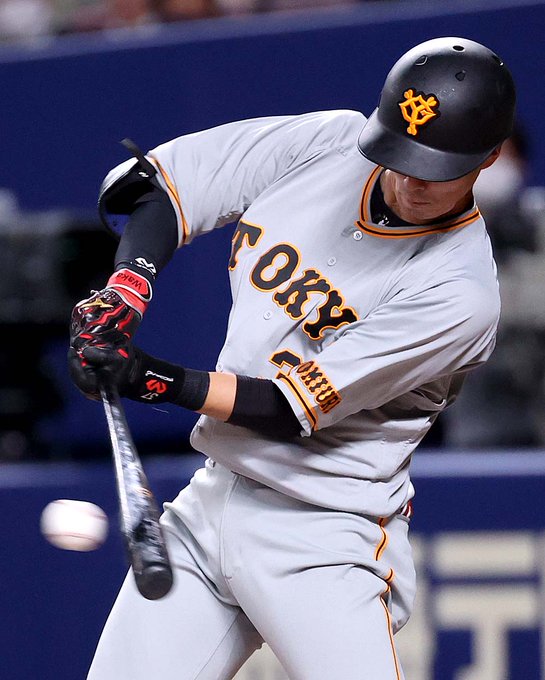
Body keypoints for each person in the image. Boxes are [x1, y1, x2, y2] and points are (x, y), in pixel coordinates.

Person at [68, 36, 516, 679]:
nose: (411, 180)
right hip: (214, 497)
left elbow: (283, 407)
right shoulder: (329, 144)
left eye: (437, 167)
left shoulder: (459, 292)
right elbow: (160, 190)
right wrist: (126, 290)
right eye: (399, 153)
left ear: (489, 157)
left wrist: (147, 378)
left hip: (324, 532)